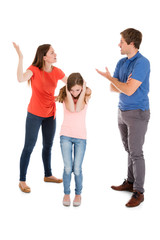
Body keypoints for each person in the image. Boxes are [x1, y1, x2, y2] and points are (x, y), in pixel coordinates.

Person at [96, 28, 150, 207]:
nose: (118, 44)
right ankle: (130, 181)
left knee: (136, 152)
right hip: (122, 111)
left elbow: (128, 89)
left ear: (131, 43)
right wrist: (116, 82)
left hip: (137, 113)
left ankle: (139, 191)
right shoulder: (121, 61)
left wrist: (114, 80)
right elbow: (114, 88)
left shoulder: (142, 63)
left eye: (122, 41)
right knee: (129, 150)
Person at [13, 42, 67, 193]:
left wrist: (62, 95)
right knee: (29, 147)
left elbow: (70, 83)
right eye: (52, 52)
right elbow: (20, 79)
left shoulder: (57, 71)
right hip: (34, 115)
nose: (55, 54)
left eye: (54, 52)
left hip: (50, 114)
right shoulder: (34, 70)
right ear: (44, 57)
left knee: (48, 146)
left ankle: (48, 175)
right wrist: (20, 57)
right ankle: (22, 180)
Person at [56, 73, 91, 206]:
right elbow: (72, 108)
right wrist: (67, 90)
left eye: (78, 89)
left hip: (81, 138)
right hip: (65, 135)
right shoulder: (66, 96)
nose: (75, 93)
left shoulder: (86, 95)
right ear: (68, 88)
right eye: (72, 90)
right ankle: (66, 193)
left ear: (82, 88)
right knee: (67, 167)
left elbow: (79, 107)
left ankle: (78, 194)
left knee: (77, 168)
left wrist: (84, 88)